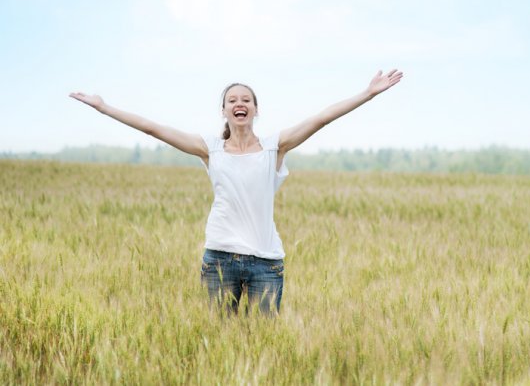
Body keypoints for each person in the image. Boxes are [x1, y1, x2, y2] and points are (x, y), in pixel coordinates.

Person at [69, 69, 404, 315]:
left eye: (246, 100)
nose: (239, 103)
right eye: (232, 100)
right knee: (218, 345)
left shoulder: (276, 147)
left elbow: (321, 120)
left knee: (264, 348)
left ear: (256, 110)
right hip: (219, 258)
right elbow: (153, 128)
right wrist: (104, 107)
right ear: (225, 111)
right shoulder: (210, 149)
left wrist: (367, 94)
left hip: (266, 263)